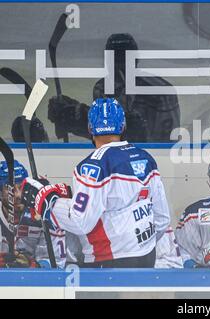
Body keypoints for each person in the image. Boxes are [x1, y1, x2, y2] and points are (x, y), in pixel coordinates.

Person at [21, 98, 171, 268]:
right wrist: (139, 245)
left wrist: (45, 200)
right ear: (122, 127)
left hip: (108, 263)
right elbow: (162, 219)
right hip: (147, 256)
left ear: (90, 128)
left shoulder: (92, 166)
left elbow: (80, 222)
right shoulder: (146, 158)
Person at [48, 33, 180, 143]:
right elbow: (106, 137)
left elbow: (167, 143)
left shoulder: (161, 91)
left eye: (122, 59)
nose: (118, 65)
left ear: (135, 60)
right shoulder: (103, 87)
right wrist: (77, 114)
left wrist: (80, 118)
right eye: (113, 59)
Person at [0, 160, 66, 268]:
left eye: (21, 187)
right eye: (10, 189)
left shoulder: (42, 213)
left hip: (33, 281)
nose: (17, 195)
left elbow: (56, 262)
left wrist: (34, 266)